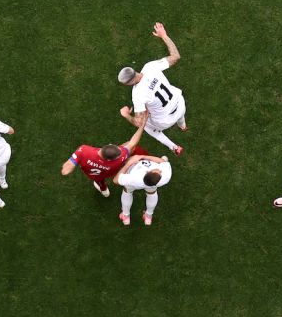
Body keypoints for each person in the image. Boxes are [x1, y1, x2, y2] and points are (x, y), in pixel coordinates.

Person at [117, 22, 187, 155]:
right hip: (180, 103)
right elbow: (176, 56)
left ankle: (174, 147)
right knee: (178, 110)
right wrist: (164, 35)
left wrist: (126, 115)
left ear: (127, 84)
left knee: (147, 126)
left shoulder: (137, 95)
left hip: (165, 121)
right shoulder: (150, 67)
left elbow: (138, 123)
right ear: (134, 71)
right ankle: (183, 125)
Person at [60, 126, 145, 197]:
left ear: (108, 145)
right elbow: (132, 143)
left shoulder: (83, 151)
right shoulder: (120, 158)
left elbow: (65, 171)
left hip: (95, 176)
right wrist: (142, 125)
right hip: (110, 172)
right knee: (128, 145)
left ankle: (104, 190)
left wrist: (72, 161)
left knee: (101, 184)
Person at [113, 154, 172, 226]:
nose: (159, 170)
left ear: (147, 172)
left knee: (127, 192)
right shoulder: (165, 175)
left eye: (157, 171)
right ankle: (148, 217)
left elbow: (115, 180)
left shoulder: (134, 177)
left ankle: (125, 216)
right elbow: (162, 161)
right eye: (159, 172)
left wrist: (129, 163)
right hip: (151, 186)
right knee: (152, 193)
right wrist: (144, 157)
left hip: (133, 183)